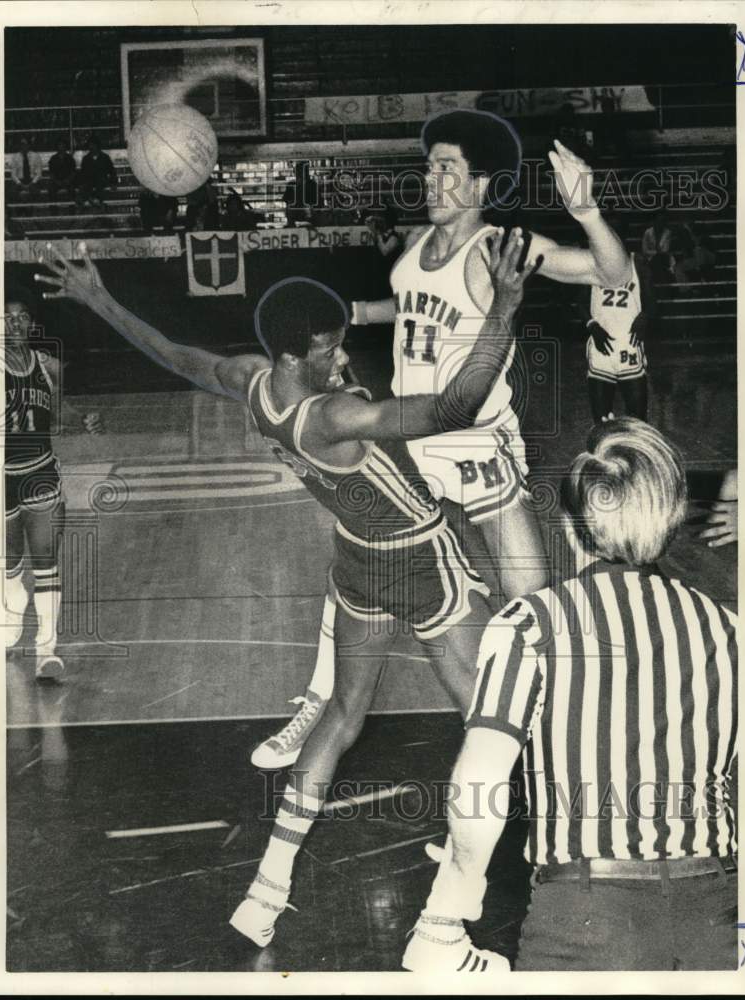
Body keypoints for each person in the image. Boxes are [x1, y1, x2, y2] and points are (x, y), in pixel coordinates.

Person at [36, 233, 538, 967]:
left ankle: (265, 893)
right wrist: (504, 306)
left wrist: (98, 297)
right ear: (296, 355)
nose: (342, 359)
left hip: (356, 564)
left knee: (339, 717)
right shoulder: (333, 417)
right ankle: (490, 871)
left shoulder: (253, 383)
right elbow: (458, 404)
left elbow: (176, 355)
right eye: (331, 350)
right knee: (490, 721)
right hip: (418, 561)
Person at [253, 108, 632, 769]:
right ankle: (315, 703)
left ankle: (564, 736)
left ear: (481, 184)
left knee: (530, 605)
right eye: (429, 165)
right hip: (409, 442)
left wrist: (588, 211)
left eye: (445, 168)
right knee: (357, 561)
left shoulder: (498, 246)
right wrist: (365, 312)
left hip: (475, 448)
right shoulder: (416, 247)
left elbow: (608, 273)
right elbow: (420, 310)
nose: (430, 178)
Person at [405, 418, 737, 972]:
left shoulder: (531, 624)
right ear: (672, 519)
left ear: (567, 523)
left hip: (584, 922)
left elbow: (481, 781)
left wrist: (451, 903)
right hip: (715, 917)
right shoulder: (731, 631)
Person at [4, 287, 101, 678]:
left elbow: (60, 407)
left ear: (31, 323)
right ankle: (12, 626)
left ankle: (47, 650)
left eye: (22, 316)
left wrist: (82, 419)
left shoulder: (48, 365)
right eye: (8, 317)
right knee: (8, 567)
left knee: (45, 562)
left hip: (39, 470)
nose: (15, 323)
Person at [579, 250, 656, 422]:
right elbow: (580, 302)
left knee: (637, 421)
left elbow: (653, 302)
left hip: (629, 345)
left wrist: (644, 316)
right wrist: (592, 325)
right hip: (601, 347)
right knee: (601, 420)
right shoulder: (591, 261)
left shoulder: (638, 263)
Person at [77, 136, 117, 207]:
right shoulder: (86, 159)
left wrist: (113, 182)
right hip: (89, 181)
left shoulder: (105, 157)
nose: (91, 147)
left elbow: (112, 171)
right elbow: (82, 173)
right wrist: (80, 183)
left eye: (93, 145)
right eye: (90, 145)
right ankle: (90, 201)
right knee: (85, 187)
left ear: (97, 146)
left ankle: (94, 201)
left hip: (101, 180)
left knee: (99, 186)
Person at [8, 137, 43, 202]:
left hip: (32, 180)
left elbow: (39, 174)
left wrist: (32, 183)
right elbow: (13, 174)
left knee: (36, 193)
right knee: (11, 192)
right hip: (19, 180)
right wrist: (20, 184)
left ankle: (31, 209)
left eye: (25, 144)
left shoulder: (36, 156)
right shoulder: (15, 157)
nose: (23, 146)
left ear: (29, 145)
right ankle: (19, 209)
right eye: (22, 144)